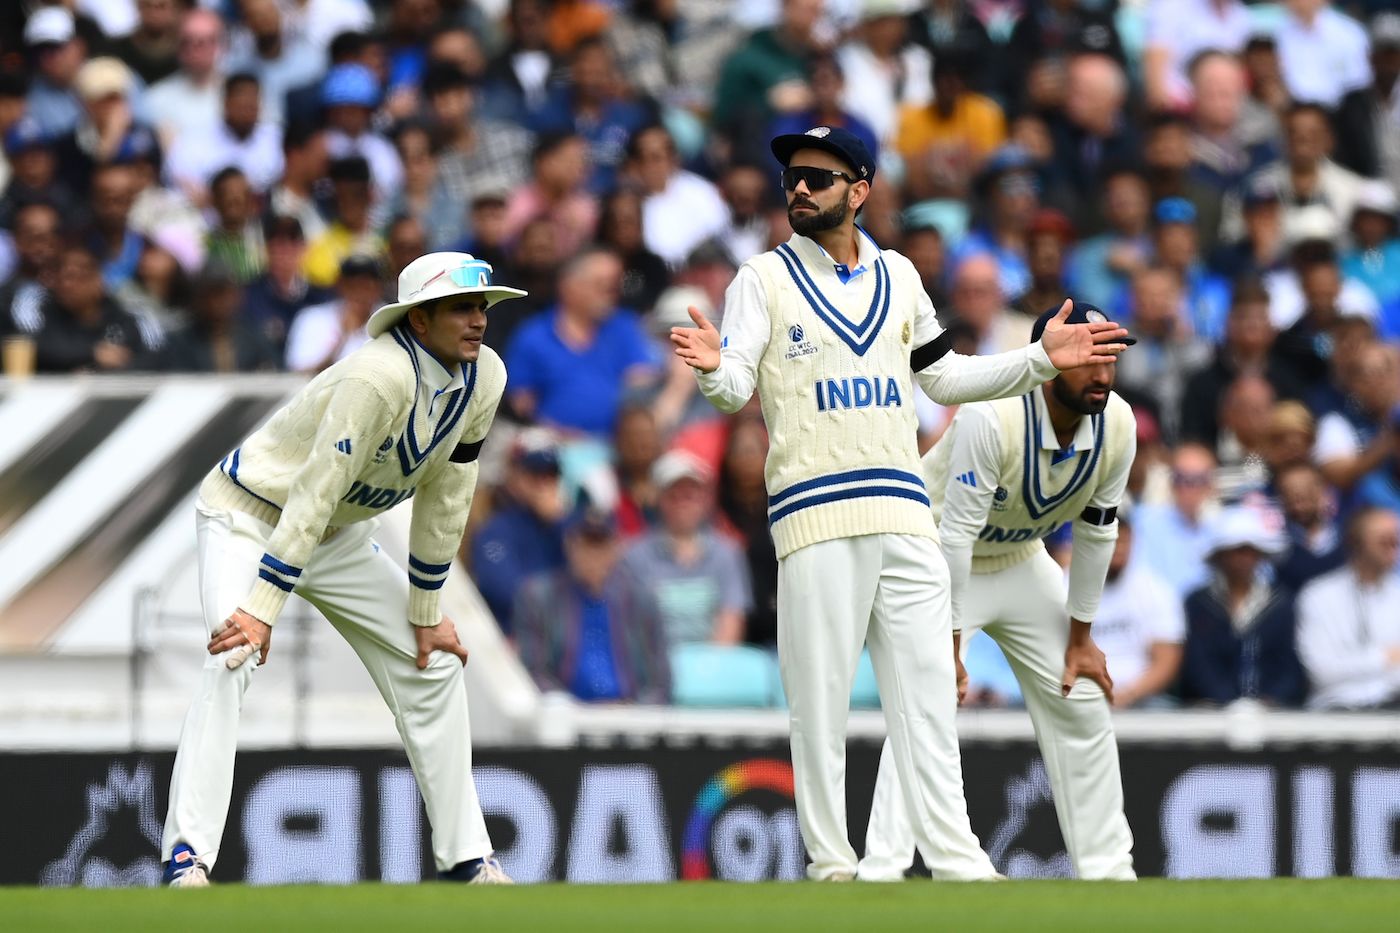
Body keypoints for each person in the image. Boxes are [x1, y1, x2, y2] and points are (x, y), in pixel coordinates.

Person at [670, 125, 1128, 882]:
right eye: (792, 176)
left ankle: (956, 861)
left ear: (860, 189)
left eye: (818, 176)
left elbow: (946, 379)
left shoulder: (900, 276)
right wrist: (714, 367)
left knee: (926, 699)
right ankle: (830, 862)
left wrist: (1043, 357)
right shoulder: (762, 278)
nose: (799, 189)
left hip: (905, 510)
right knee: (819, 705)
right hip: (815, 514)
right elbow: (733, 386)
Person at [160, 251, 527, 888]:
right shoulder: (377, 378)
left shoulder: (485, 378)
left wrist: (425, 614)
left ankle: (470, 860)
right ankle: (187, 858)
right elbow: (315, 490)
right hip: (251, 516)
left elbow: (451, 490)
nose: (478, 320)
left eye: (483, 307)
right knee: (234, 651)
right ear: (419, 319)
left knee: (434, 663)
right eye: (463, 308)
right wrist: (262, 609)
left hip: (336, 536)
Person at [861, 301, 1138, 882]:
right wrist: (953, 643)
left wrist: (1081, 638)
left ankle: (1111, 873)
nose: (1103, 373)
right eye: (1087, 357)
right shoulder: (994, 415)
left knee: (1081, 696)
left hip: (1019, 558)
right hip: (930, 555)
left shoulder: (1119, 424)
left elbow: (1096, 530)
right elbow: (957, 535)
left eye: (1109, 356)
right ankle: (882, 870)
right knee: (926, 702)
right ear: (1049, 363)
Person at [512, 497, 670, 703]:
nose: (593, 554)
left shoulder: (641, 599)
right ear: (569, 544)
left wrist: (635, 708)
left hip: (631, 715)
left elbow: (660, 680)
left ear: (616, 547)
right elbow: (533, 669)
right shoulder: (538, 597)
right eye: (586, 543)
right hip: (566, 715)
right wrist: (568, 706)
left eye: (601, 543)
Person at [618, 450, 752, 647]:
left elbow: (731, 622)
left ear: (704, 499)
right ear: (659, 499)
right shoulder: (633, 556)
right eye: (673, 495)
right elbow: (631, 625)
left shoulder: (727, 553)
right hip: (655, 668)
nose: (682, 502)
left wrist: (707, 670)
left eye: (690, 495)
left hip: (713, 668)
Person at [1178, 506, 1305, 708]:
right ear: (1220, 555)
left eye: (1249, 551)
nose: (1243, 559)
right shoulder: (1198, 603)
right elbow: (1197, 664)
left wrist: (1271, 699)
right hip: (1210, 710)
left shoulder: (1281, 603)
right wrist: (1226, 702)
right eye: (1236, 551)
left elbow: (1289, 663)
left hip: (1273, 712)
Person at [1297, 506, 1400, 709]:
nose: (1393, 550)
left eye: (1395, 542)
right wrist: (1384, 657)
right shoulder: (1319, 595)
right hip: (1337, 712)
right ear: (1356, 543)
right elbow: (1322, 673)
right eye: (1383, 542)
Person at [469, 429, 568, 634]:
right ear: (513, 472)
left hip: (562, 639)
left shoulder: (567, 527)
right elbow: (505, 593)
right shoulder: (495, 529)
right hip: (511, 638)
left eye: (550, 475)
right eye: (534, 474)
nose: (543, 484)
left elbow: (594, 583)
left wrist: (560, 524)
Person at [1092, 512, 1185, 709]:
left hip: (1140, 698)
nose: (1117, 550)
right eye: (1110, 541)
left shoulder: (1155, 589)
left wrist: (1127, 695)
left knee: (1165, 711)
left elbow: (1166, 661)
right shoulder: (1062, 585)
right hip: (1078, 695)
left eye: (1123, 541)